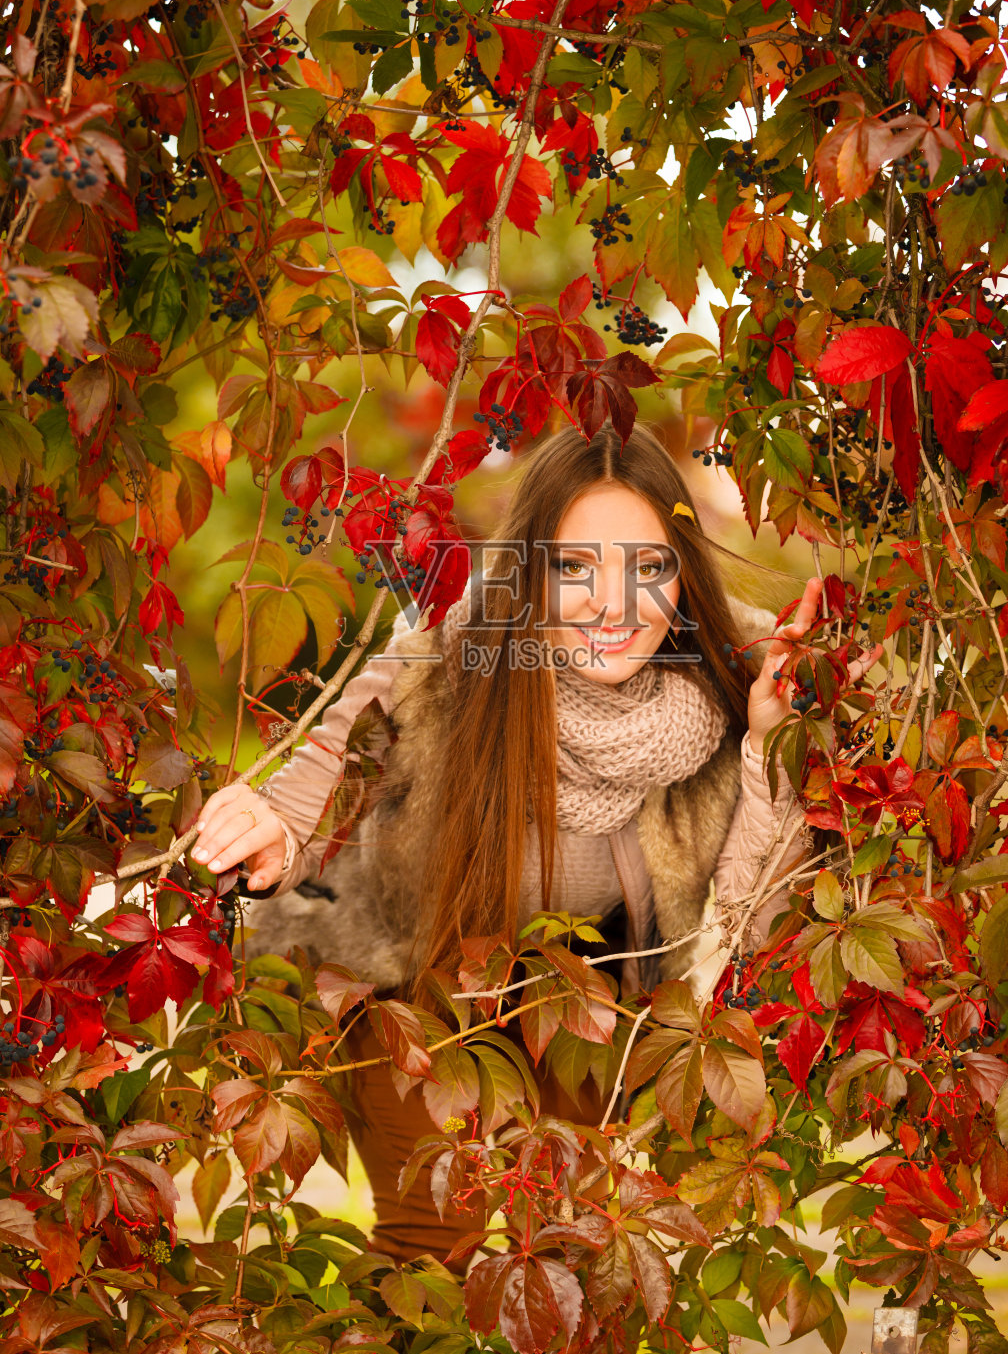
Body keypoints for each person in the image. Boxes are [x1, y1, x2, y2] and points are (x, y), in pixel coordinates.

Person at [190, 423, 879, 1261]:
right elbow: (311, 785)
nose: (614, 605)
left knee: (581, 1262)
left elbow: (746, 922)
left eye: (647, 567)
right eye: (574, 567)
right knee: (430, 1255)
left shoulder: (738, 673)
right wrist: (270, 832)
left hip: (597, 1005)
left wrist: (769, 743)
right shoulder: (452, 662)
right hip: (414, 993)